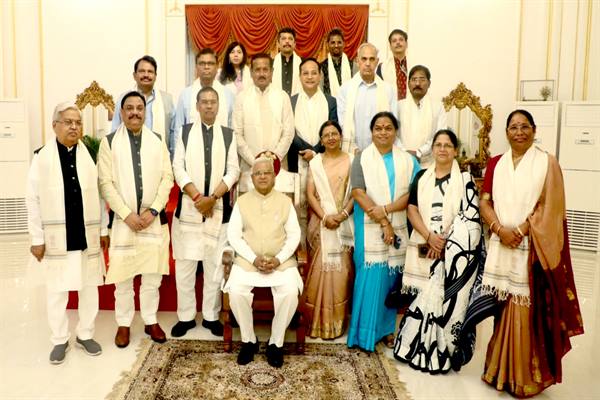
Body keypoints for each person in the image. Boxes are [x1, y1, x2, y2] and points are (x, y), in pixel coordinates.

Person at [479, 110, 583, 397]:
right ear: (506, 132)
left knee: (526, 310)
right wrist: (500, 230)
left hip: (532, 248)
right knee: (503, 308)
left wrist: (519, 231)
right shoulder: (495, 163)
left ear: (534, 130)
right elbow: (485, 202)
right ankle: (499, 370)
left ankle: (525, 376)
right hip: (502, 244)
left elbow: (550, 206)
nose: (519, 132)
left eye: (525, 126)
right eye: (513, 127)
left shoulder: (547, 163)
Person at [393, 129, 484, 374]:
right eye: (438, 145)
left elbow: (469, 217)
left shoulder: (465, 180)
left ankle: (441, 352)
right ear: (432, 149)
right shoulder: (422, 176)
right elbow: (411, 209)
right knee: (422, 297)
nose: (442, 149)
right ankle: (414, 347)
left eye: (447, 145)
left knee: (444, 300)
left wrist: (444, 241)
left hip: (452, 249)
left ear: (455, 151)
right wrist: (429, 237)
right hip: (424, 242)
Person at [26, 102, 109, 364]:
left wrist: (103, 228)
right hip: (57, 237)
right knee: (57, 290)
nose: (74, 127)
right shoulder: (41, 157)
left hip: (85, 234)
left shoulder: (89, 156)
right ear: (55, 126)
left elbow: (99, 195)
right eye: (68, 122)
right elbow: (32, 200)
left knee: (89, 288)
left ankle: (85, 334)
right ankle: (60, 339)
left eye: (78, 122)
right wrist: (37, 238)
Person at [98, 91, 174, 348]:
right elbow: (105, 183)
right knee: (124, 277)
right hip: (124, 221)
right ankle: (124, 323)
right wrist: (126, 214)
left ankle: (150, 320)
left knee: (152, 276)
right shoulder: (109, 142)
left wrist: (153, 210)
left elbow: (167, 178)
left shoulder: (157, 140)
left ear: (145, 112)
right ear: (121, 113)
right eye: (129, 108)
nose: (134, 112)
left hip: (152, 219)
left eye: (139, 108)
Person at [170, 87, 240, 338]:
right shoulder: (184, 132)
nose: (209, 106)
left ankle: (211, 316)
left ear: (219, 106)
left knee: (213, 265)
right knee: (186, 266)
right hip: (189, 208)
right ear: (197, 106)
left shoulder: (228, 135)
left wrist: (213, 199)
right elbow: (178, 167)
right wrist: (198, 198)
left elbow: (233, 170)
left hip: (217, 209)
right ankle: (186, 317)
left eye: (213, 102)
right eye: (205, 102)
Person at [348, 112, 419, 352]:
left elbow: (413, 194)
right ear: (371, 132)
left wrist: (387, 210)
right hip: (367, 229)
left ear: (395, 132)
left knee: (391, 281)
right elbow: (358, 192)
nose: (383, 132)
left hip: (399, 226)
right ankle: (363, 333)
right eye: (378, 128)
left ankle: (387, 330)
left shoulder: (409, 161)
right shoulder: (361, 158)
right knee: (369, 279)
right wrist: (383, 222)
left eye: (388, 128)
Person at [223, 157, 303, 368]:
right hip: (249, 261)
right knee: (236, 291)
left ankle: (276, 343)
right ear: (252, 178)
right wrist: (253, 258)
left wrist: (279, 259)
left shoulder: (285, 202)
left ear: (274, 176)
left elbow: (294, 235)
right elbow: (233, 235)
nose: (263, 177)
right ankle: (249, 340)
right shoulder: (242, 202)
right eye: (258, 173)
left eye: (267, 172)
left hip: (280, 261)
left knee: (289, 292)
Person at [304, 120, 354, 339]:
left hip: (344, 226)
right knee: (319, 272)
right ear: (321, 140)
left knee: (341, 274)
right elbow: (310, 194)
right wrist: (325, 217)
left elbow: (356, 192)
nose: (331, 138)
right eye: (326, 135)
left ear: (341, 136)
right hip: (321, 225)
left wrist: (342, 216)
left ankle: (335, 324)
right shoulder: (315, 162)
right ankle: (316, 323)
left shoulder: (352, 160)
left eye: (335, 133)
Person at [289, 58, 338, 244]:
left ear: (320, 76)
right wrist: (305, 150)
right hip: (296, 161)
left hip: (324, 160)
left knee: (322, 204)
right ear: (300, 76)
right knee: (298, 208)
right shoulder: (291, 101)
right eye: (305, 73)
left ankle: (319, 248)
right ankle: (300, 248)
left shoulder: (330, 101)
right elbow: (288, 131)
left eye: (313, 73)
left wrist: (315, 153)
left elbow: (332, 130)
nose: (309, 77)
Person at [233, 53, 294, 176]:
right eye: (257, 70)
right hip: (249, 168)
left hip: (278, 166)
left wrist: (274, 159)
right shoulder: (241, 98)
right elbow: (237, 134)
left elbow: (288, 132)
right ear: (251, 72)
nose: (261, 74)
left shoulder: (282, 97)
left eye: (265, 69)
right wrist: (254, 162)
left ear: (272, 72)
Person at [111, 55, 176, 158]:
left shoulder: (167, 100)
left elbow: (173, 133)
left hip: (158, 157)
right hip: (128, 156)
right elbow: (115, 130)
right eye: (142, 71)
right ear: (134, 75)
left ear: (155, 76)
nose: (146, 75)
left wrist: (171, 159)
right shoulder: (123, 99)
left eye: (150, 72)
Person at [337, 43, 397, 154]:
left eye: (372, 59)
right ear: (357, 61)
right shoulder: (345, 89)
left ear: (377, 61)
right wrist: (354, 149)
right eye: (364, 59)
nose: (368, 63)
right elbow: (342, 123)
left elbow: (392, 123)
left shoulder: (388, 90)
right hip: (352, 152)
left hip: (381, 152)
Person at [174, 48, 235, 146]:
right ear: (196, 67)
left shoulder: (228, 95)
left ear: (217, 66)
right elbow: (178, 130)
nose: (206, 67)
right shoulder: (186, 95)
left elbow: (232, 129)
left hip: (221, 148)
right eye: (202, 63)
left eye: (210, 63)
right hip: (191, 149)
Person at [398, 65, 447, 167]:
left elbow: (440, 135)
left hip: (429, 163)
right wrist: (404, 151)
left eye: (422, 79)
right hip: (402, 160)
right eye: (414, 79)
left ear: (429, 83)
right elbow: (393, 135)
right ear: (408, 83)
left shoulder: (438, 107)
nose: (417, 83)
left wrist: (420, 152)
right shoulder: (398, 106)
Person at [377, 29, 409, 100]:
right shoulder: (382, 67)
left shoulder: (415, 65)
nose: (398, 42)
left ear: (406, 44)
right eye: (394, 41)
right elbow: (379, 92)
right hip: (390, 104)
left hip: (411, 105)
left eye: (401, 40)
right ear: (390, 46)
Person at [320, 28, 352, 97]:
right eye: (333, 42)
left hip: (350, 102)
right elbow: (320, 91)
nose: (336, 45)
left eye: (339, 42)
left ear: (344, 44)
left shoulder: (353, 65)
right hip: (328, 103)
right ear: (327, 44)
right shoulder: (321, 67)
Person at [272, 27, 301, 96]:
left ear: (294, 44)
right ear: (278, 44)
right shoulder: (270, 64)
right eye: (283, 38)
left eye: (290, 39)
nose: (287, 41)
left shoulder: (303, 64)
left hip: (299, 101)